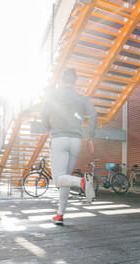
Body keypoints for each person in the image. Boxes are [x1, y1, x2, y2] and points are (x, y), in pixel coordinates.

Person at [41, 68, 97, 225]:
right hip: (76, 142)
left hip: (59, 140)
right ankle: (60, 214)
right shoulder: (83, 98)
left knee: (59, 180)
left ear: (61, 79)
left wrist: (49, 128)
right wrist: (89, 137)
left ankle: (82, 183)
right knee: (65, 177)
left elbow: (43, 115)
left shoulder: (52, 95)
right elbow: (93, 115)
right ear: (75, 81)